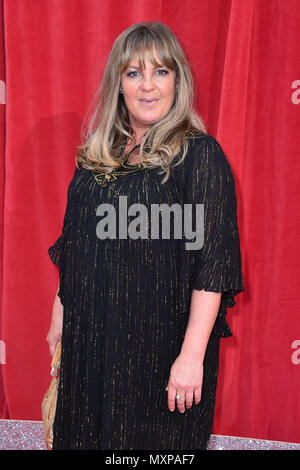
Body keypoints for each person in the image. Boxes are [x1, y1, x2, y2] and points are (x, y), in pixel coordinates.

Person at [46, 21, 244, 450]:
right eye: (134, 73)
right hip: (91, 348)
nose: (147, 85)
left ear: (179, 81)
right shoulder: (95, 159)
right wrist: (60, 310)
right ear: (118, 83)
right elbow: (76, 244)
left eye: (161, 71)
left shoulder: (199, 156)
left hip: (159, 353)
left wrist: (191, 358)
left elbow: (212, 268)